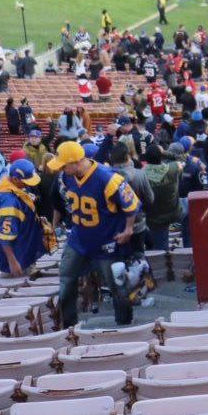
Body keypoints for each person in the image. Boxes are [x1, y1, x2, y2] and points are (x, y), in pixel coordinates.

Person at [47, 139, 140, 327]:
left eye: (64, 165)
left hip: (106, 240)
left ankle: (124, 324)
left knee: (116, 284)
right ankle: (69, 325)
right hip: (79, 237)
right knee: (66, 277)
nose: (61, 169)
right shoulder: (67, 177)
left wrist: (128, 229)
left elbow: (131, 205)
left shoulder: (109, 178)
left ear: (76, 162)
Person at [0, 158, 51, 276]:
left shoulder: (16, 189)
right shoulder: (9, 203)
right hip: (18, 258)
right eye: (26, 181)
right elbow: (5, 236)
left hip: (24, 247)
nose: (28, 185)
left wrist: (37, 220)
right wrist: (12, 261)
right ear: (15, 179)